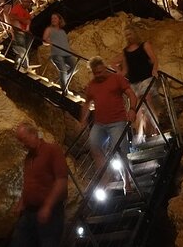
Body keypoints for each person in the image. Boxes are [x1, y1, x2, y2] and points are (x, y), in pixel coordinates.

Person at [81, 57, 138, 193]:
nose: (98, 75)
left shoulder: (117, 79)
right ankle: (105, 176)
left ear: (105, 68)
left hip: (117, 121)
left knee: (121, 152)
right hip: (100, 123)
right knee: (94, 145)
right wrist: (83, 119)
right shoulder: (92, 85)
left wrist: (132, 109)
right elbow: (86, 103)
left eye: (100, 72)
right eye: (96, 73)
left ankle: (126, 181)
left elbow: (131, 94)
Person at [10, 122, 68, 247]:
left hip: (51, 212)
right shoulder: (28, 158)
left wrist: (47, 206)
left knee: (48, 242)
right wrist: (21, 203)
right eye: (21, 141)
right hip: (29, 212)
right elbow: (29, 183)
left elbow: (61, 180)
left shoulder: (52, 150)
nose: (23, 144)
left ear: (34, 134)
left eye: (24, 140)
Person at [120, 25, 161, 143]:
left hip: (146, 78)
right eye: (126, 34)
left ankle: (156, 128)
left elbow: (154, 59)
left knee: (146, 99)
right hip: (134, 82)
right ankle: (140, 133)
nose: (128, 36)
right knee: (136, 107)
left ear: (135, 33)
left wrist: (154, 70)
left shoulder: (144, 45)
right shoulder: (125, 52)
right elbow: (125, 71)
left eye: (130, 33)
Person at [42, 13, 76, 93]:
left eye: (55, 18)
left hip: (66, 53)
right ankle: (64, 89)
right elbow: (44, 41)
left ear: (59, 20)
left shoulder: (62, 31)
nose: (53, 20)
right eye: (52, 18)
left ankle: (64, 80)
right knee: (63, 69)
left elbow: (65, 43)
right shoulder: (49, 29)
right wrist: (51, 42)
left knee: (75, 66)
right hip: (56, 53)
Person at [9, 0, 33, 71]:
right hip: (19, 31)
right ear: (21, 2)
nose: (27, 3)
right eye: (25, 2)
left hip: (25, 32)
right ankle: (17, 66)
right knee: (22, 50)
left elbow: (28, 21)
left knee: (27, 50)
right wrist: (22, 20)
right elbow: (11, 16)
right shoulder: (17, 8)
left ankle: (25, 66)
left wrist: (28, 29)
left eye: (28, 2)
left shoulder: (26, 12)